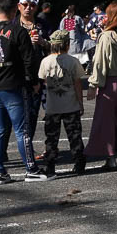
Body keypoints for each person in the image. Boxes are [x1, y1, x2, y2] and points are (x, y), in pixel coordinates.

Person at [0, 0, 43, 185]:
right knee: (22, 130)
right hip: (13, 85)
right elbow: (29, 60)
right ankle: (31, 169)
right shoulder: (18, 31)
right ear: (16, 9)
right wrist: (33, 82)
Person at [86, 0, 117, 170]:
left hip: (109, 82)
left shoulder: (107, 36)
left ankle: (110, 156)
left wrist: (93, 84)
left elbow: (100, 63)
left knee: (105, 120)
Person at [36, 30, 86, 177]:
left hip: (53, 106)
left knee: (51, 138)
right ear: (67, 44)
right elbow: (77, 84)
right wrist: (80, 102)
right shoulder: (73, 61)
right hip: (70, 105)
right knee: (75, 136)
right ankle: (79, 163)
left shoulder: (45, 61)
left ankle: (50, 165)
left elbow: (43, 81)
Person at [17, 0, 50, 158]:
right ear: (19, 6)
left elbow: (56, 46)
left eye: (32, 5)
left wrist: (43, 42)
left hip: (38, 76)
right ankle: (0, 153)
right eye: (25, 4)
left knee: (33, 113)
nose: (28, 8)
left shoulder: (42, 24)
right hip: (16, 76)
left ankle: (29, 148)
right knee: (10, 116)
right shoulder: (12, 24)